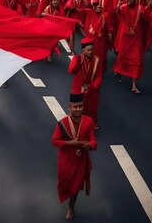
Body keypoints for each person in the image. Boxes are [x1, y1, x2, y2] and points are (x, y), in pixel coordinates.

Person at [51, 93, 97, 221]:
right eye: (75, 107)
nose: (78, 109)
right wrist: (71, 143)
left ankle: (71, 206)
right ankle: (66, 198)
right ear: (69, 107)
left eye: (80, 106)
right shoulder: (63, 123)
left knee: (76, 186)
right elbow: (54, 141)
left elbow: (93, 139)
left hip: (80, 159)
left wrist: (90, 145)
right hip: (66, 159)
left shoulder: (88, 121)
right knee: (64, 183)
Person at [113, 0, 149, 94]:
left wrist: (145, 12)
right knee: (122, 57)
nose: (128, 1)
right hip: (125, 38)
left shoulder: (140, 9)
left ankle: (134, 85)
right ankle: (118, 70)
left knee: (136, 60)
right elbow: (117, 12)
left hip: (136, 39)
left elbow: (147, 20)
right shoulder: (123, 7)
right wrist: (118, 6)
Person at [69, 38, 103, 126]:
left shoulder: (96, 60)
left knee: (91, 107)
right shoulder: (78, 59)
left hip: (90, 88)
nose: (90, 52)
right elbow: (71, 71)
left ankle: (90, 123)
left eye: (92, 50)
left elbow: (99, 76)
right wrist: (76, 62)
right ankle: (75, 123)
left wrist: (93, 86)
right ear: (83, 51)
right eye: (88, 50)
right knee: (77, 107)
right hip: (78, 88)